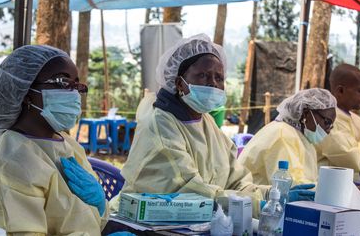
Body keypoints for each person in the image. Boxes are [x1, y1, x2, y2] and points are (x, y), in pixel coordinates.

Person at [113, 34, 312, 214]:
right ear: (179, 83)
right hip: (141, 221)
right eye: (203, 75)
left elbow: (236, 181)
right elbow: (192, 192)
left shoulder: (205, 121)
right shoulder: (160, 126)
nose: (213, 83)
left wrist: (271, 194)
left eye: (219, 77)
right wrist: (256, 205)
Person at [0, 45, 109, 235]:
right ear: (25, 93)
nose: (74, 94)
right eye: (62, 82)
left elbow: (86, 219)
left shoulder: (66, 143)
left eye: (77, 85)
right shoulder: (8, 162)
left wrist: (101, 207)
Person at [238, 88, 337, 196]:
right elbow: (291, 184)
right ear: (306, 113)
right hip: (253, 203)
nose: (328, 130)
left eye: (331, 125)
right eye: (327, 122)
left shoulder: (299, 137)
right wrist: (332, 190)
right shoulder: (282, 135)